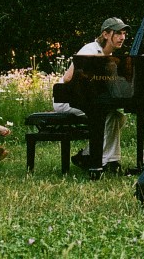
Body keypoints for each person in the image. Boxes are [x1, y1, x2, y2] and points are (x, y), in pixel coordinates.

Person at [53, 17, 128, 172]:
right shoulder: (89, 50)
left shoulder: (110, 56)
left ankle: (89, 155)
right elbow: (67, 79)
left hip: (92, 100)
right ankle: (107, 162)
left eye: (124, 33)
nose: (122, 37)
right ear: (106, 34)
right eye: (118, 33)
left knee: (117, 117)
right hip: (68, 100)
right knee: (108, 117)